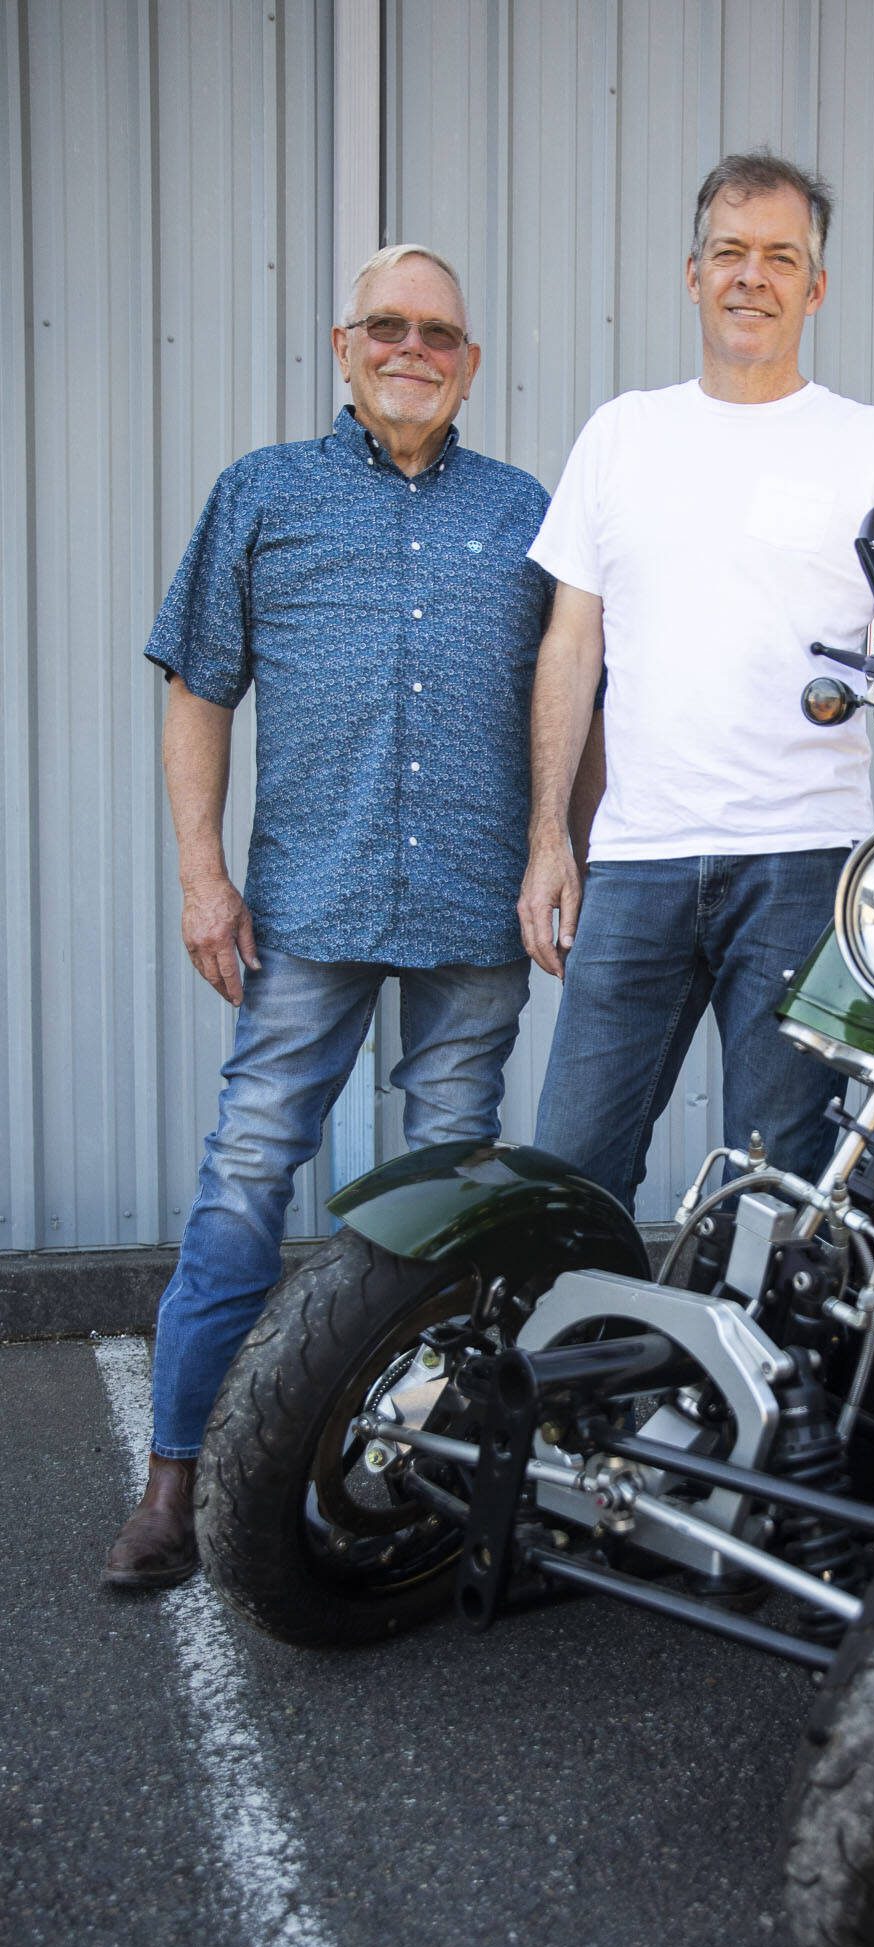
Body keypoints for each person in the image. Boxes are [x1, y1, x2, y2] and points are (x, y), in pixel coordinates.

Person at [104, 245, 552, 1589]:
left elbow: (568, 705)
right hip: (309, 901)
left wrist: (561, 851)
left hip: (477, 916)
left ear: (468, 364)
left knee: (446, 1199)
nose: (415, 347)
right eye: (389, 326)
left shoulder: (527, 513)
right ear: (345, 347)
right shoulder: (262, 494)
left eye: (442, 333)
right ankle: (175, 1485)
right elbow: (198, 683)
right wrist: (201, 877)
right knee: (247, 1176)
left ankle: (422, 1468)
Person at [518, 151, 874, 1210]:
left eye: (780, 257)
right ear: (690, 272)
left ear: (815, 286)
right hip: (638, 859)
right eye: (730, 253)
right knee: (566, 1174)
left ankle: (750, 1381)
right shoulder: (621, 434)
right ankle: (572, 1375)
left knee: (782, 1193)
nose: (753, 276)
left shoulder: (867, 445)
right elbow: (570, 648)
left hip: (802, 866)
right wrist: (549, 841)